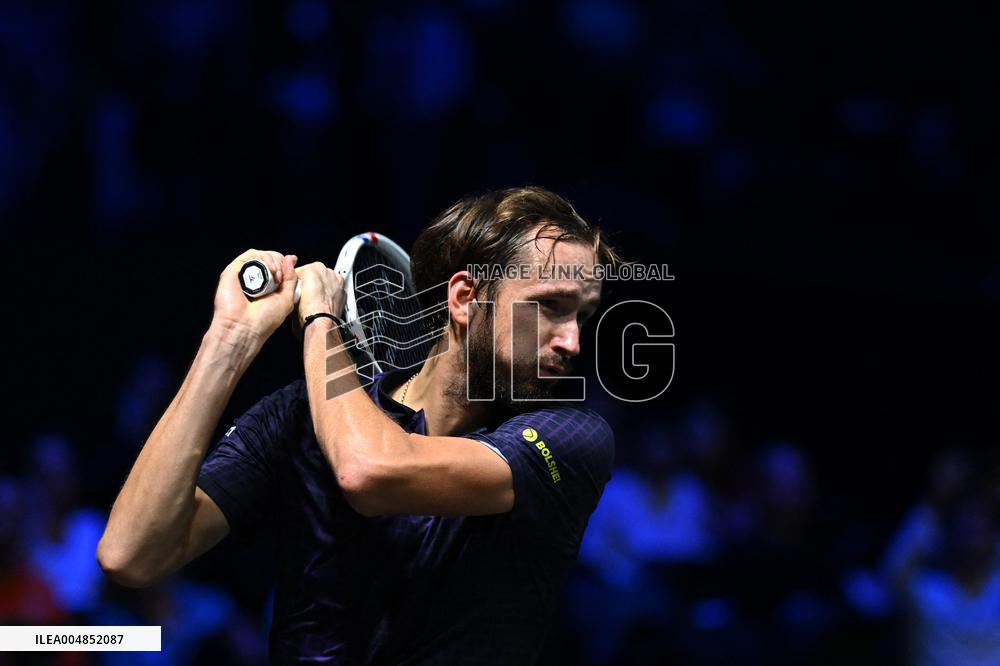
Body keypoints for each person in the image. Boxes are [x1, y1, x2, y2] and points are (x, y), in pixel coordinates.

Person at [98, 186, 620, 663]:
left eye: (582, 316)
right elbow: (133, 555)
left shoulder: (571, 439)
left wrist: (318, 320)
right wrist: (230, 337)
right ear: (465, 300)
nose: (571, 342)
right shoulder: (297, 416)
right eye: (550, 306)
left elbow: (368, 472)